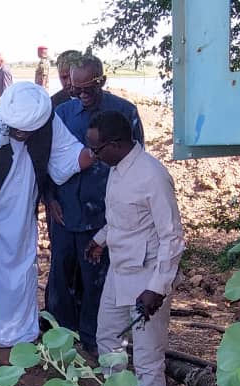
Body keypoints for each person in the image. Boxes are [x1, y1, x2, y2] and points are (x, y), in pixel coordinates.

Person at [0, 82, 93, 347]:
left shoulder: (47, 122)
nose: (16, 133)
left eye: (23, 131)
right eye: (14, 129)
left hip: (20, 209)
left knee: (20, 267)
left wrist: (97, 152)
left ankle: (20, 333)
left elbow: (68, 155)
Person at [84, 111, 183, 386]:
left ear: (116, 144)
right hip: (119, 271)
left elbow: (172, 236)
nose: (92, 156)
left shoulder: (151, 175)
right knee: (107, 338)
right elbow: (122, 219)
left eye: (96, 150)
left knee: (147, 360)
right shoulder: (117, 167)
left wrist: (158, 287)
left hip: (147, 277)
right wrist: (100, 239)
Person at [46, 54, 144, 356]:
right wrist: (48, 197)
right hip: (64, 212)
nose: (82, 95)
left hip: (102, 216)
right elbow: (46, 159)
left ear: (102, 80)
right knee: (61, 277)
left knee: (97, 283)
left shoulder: (124, 112)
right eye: (75, 90)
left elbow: (135, 165)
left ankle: (94, 341)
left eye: (89, 88)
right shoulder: (61, 113)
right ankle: (60, 340)